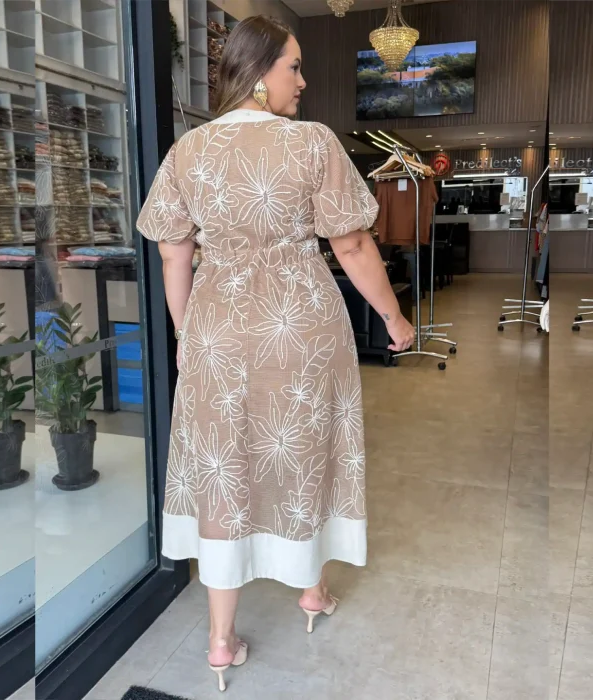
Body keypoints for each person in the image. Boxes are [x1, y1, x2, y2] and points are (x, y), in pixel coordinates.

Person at [136, 15, 415, 692]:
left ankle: (219, 638)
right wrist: (394, 318)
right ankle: (311, 590)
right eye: (294, 66)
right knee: (305, 449)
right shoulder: (313, 143)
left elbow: (174, 255)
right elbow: (352, 245)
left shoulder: (187, 151)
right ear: (260, 71)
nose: (303, 80)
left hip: (218, 328)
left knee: (225, 464)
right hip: (302, 326)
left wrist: (187, 335)